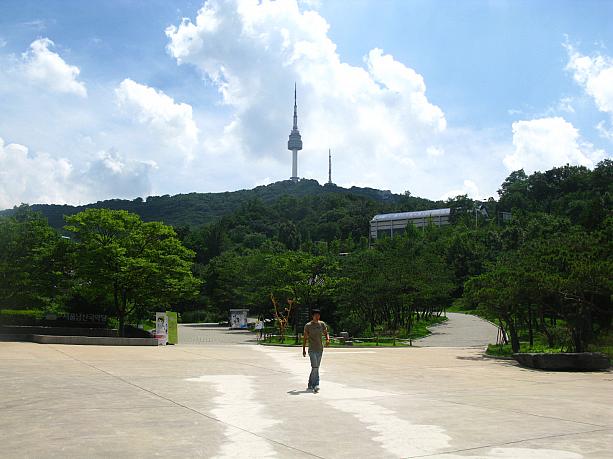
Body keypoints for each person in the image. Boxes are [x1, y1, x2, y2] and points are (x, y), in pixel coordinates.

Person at [302, 308, 330, 393]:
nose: (317, 317)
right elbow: (305, 338)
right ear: (312, 316)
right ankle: (316, 384)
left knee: (315, 367)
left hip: (320, 349)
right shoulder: (308, 326)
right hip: (312, 349)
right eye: (315, 315)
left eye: (318, 315)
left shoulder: (322, 324)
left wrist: (328, 339)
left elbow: (326, 333)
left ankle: (310, 383)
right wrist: (303, 349)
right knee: (315, 367)